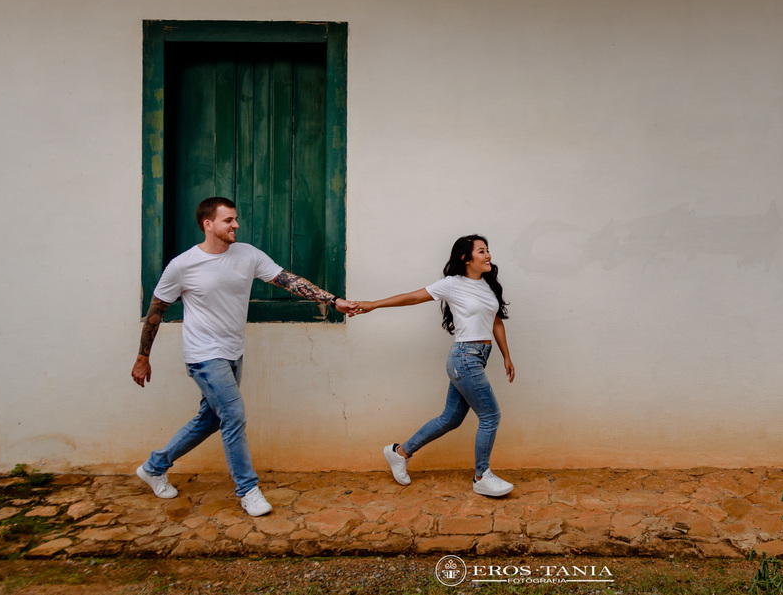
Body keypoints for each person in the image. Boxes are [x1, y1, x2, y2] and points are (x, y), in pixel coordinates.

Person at [131, 196, 356, 516]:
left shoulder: (248, 255)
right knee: (233, 414)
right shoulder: (182, 265)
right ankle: (248, 489)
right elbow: (156, 311)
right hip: (203, 355)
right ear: (208, 225)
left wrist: (333, 301)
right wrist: (143, 356)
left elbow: (288, 281)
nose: (236, 224)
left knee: (211, 419)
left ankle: (154, 466)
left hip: (233, 352)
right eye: (228, 220)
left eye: (235, 219)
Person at [351, 234, 516, 497]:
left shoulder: (488, 285)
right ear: (466, 258)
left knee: (450, 418)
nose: (488, 256)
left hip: (479, 356)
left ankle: (400, 452)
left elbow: (496, 321)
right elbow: (413, 298)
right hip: (464, 357)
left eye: (488, 251)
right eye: (481, 251)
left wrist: (506, 356)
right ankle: (481, 476)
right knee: (490, 416)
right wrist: (373, 305)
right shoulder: (452, 284)